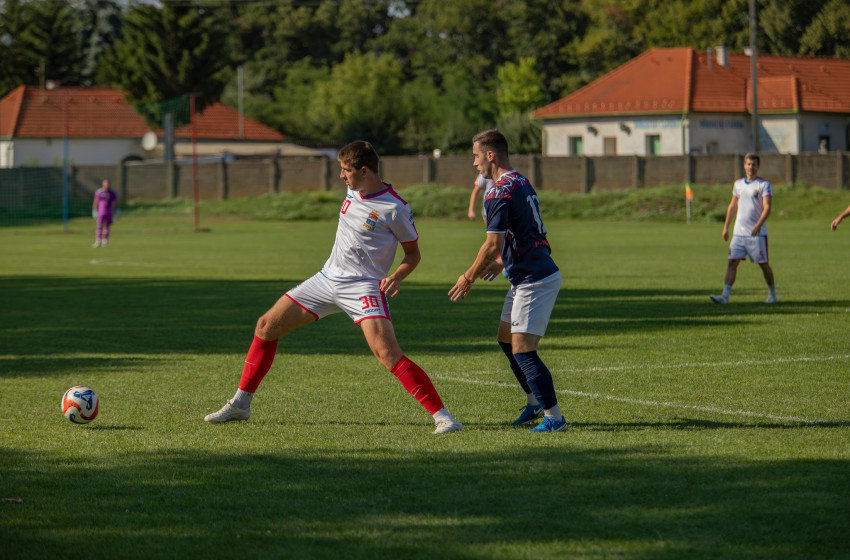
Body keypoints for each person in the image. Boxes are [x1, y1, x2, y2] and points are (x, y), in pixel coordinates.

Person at [205, 141, 463, 434]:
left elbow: (413, 254)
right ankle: (240, 405)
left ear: (364, 171)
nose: (341, 176)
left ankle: (444, 417)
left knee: (387, 354)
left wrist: (397, 276)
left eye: (346, 170)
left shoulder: (395, 208)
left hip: (364, 287)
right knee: (266, 325)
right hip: (326, 279)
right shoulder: (353, 188)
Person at [448, 129, 566, 432]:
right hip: (526, 274)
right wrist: (502, 261)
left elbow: (491, 244)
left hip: (534, 279)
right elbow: (530, 234)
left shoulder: (499, 191)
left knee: (523, 350)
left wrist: (468, 276)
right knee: (505, 339)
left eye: (476, 156)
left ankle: (554, 418)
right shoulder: (521, 181)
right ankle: (534, 400)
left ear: (490, 155)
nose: (474, 163)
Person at [710, 153, 777, 304]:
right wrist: (726, 226)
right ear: (744, 165)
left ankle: (772, 295)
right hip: (738, 234)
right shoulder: (738, 184)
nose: (751, 167)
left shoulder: (763, 185)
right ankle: (725, 297)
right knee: (732, 263)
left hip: (757, 235)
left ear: (758, 167)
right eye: (748, 164)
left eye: (753, 164)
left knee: (763, 264)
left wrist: (758, 224)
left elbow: (767, 207)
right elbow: (733, 206)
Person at [92, 179, 118, 247]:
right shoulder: (99, 192)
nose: (107, 185)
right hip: (101, 212)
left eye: (108, 184)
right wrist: (94, 211)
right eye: (105, 184)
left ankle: (105, 241)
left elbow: (116, 202)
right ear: (103, 184)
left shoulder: (112, 192)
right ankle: (98, 241)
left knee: (107, 226)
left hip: (109, 212)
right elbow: (96, 202)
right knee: (99, 226)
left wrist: (117, 210)